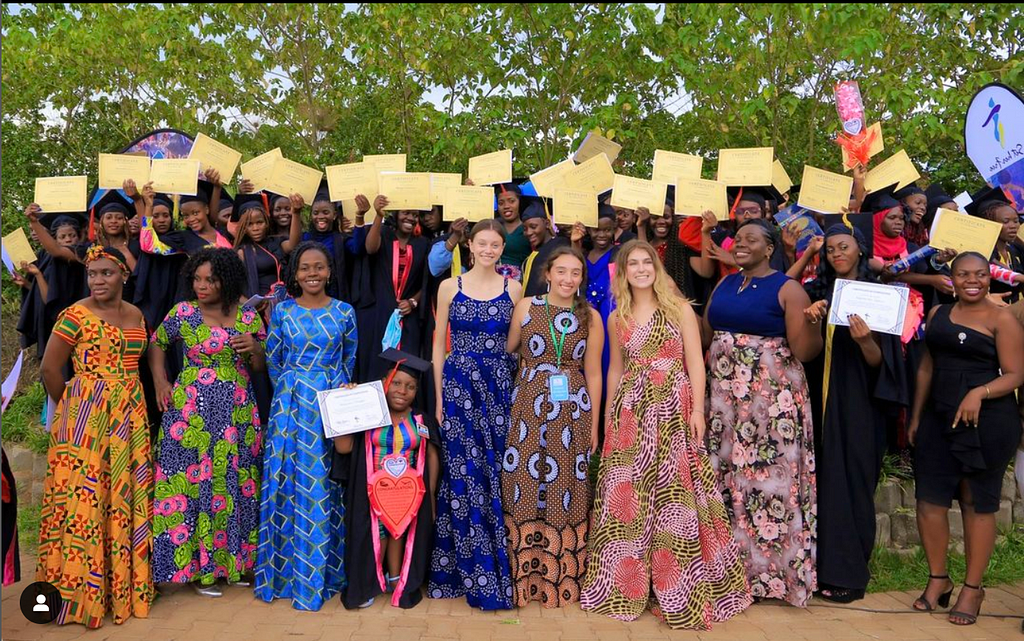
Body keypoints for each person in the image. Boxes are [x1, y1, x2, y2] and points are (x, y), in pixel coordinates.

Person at [581, 240, 751, 631]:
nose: (641, 269)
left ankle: (680, 586)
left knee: (675, 493)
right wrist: (609, 416)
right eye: (633, 264)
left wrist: (696, 410)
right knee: (628, 491)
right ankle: (621, 585)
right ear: (622, 272)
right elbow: (614, 371)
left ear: (656, 268)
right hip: (631, 409)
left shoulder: (679, 309)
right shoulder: (616, 316)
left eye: (647, 263)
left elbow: (695, 362)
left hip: (673, 406)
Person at [701, 219, 821, 607]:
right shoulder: (725, 283)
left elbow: (805, 352)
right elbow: (707, 334)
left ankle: (773, 576)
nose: (741, 244)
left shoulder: (788, 289)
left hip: (770, 404)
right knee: (727, 479)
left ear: (770, 249)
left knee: (769, 484)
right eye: (739, 239)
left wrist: (814, 327)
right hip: (724, 401)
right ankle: (729, 572)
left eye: (752, 239)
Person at [36, 246, 153, 627]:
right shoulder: (74, 315)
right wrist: (74, 409)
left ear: (123, 275)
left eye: (106, 273)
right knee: (86, 499)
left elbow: (143, 358)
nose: (98, 281)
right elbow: (50, 369)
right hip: (85, 417)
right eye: (92, 274)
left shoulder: (136, 315)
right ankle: (79, 594)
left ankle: (119, 586)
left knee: (119, 495)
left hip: (129, 419)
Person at [908, 252, 1024, 625]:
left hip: (988, 421)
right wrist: (916, 415)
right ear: (951, 278)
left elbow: (1016, 374)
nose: (972, 281)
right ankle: (938, 579)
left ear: (989, 278)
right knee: (929, 499)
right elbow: (928, 365)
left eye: (979, 274)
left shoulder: (1001, 317)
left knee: (978, 502)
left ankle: (973, 588)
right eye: (963, 275)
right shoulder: (938, 314)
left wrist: (979, 393)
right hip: (938, 416)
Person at [148, 248, 266, 597]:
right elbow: (157, 343)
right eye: (197, 279)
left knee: (236, 483)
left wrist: (255, 351)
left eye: (210, 280)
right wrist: (161, 381)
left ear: (226, 281)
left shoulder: (247, 317)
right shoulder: (183, 312)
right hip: (191, 413)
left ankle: (235, 565)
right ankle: (200, 570)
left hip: (237, 412)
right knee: (194, 484)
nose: (201, 285)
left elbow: (261, 366)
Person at [803, 224, 909, 603]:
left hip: (861, 406)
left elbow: (885, 365)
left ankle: (849, 573)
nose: (836, 254)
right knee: (824, 485)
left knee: (853, 484)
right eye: (830, 249)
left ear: (860, 250)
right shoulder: (818, 294)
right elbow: (806, 353)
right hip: (821, 403)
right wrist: (811, 320)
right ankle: (817, 570)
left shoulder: (879, 296)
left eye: (843, 247)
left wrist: (865, 341)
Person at [255, 242, 357, 611]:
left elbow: (349, 360)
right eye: (304, 268)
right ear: (294, 274)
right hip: (290, 404)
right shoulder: (282, 312)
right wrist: (295, 390)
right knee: (286, 481)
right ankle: (283, 574)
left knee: (324, 484)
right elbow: (274, 360)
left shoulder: (345, 312)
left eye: (319, 267)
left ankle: (321, 572)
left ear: (329, 271)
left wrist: (332, 393)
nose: (312, 273)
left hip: (329, 405)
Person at [429, 219, 523, 610]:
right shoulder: (449, 286)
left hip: (498, 387)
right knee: (462, 473)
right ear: (469, 245)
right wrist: (437, 397)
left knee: (494, 470)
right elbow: (438, 346)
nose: (488, 249)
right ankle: (463, 571)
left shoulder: (514, 288)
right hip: (457, 385)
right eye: (482, 243)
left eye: (495, 244)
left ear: (503, 248)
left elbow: (516, 344)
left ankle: (497, 565)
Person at [503, 246, 604, 608]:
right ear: (548, 273)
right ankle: (525, 576)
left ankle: (559, 578)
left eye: (575, 273)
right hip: (529, 404)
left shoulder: (591, 316)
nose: (568, 279)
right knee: (525, 480)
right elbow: (511, 348)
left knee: (566, 482)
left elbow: (593, 372)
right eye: (561, 271)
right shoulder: (527, 306)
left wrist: (593, 421)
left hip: (572, 409)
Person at [332, 349, 441, 609]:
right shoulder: (369, 416)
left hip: (409, 492)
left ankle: (396, 578)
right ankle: (371, 578)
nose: (402, 390)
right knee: (376, 532)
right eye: (397, 383)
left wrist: (432, 495)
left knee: (400, 531)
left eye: (411, 386)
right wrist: (346, 404)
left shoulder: (421, 420)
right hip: (372, 490)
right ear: (384, 383)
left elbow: (433, 456)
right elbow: (344, 448)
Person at [354, 196, 430, 381]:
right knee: (375, 366)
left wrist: (413, 302)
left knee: (405, 368)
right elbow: (370, 248)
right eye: (406, 213)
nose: (411, 218)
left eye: (415, 215)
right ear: (396, 215)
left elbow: (427, 282)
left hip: (407, 317)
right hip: (378, 314)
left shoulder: (423, 244)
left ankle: (402, 409)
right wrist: (379, 215)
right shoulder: (385, 234)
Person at [233, 192, 303, 300]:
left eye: (259, 222)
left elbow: (293, 245)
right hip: (259, 305)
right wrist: (252, 307)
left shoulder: (275, 242)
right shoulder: (241, 252)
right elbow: (237, 287)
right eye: (249, 224)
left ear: (266, 223)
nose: (255, 228)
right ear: (244, 228)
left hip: (283, 301)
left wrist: (296, 213)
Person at [967, 190, 1023, 304]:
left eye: (1016, 221)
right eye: (1006, 222)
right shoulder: (980, 255)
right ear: (989, 224)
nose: (1013, 226)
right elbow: (992, 270)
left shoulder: (1014, 250)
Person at [521, 200, 569, 297]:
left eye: (533, 227)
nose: (528, 232)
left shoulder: (559, 246)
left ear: (547, 223)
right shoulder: (537, 251)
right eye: (525, 229)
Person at [494, 183, 532, 280]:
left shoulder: (529, 229)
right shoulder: (493, 227)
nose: (506, 206)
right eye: (501, 203)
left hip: (520, 284)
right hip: (491, 283)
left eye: (511, 201)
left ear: (519, 202)